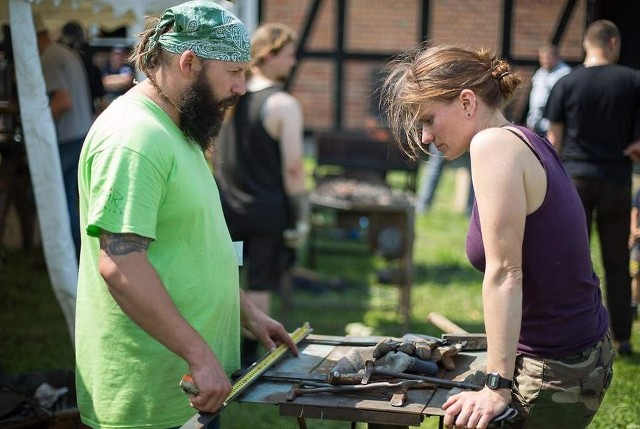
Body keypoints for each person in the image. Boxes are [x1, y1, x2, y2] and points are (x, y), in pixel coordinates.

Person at [74, 2, 297, 428]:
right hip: (149, 398)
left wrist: (249, 315)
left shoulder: (179, 127)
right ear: (189, 62)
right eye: (233, 72)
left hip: (188, 388)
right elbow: (121, 263)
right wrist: (197, 353)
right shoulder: (135, 138)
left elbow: (189, 246)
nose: (242, 87)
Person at [380, 43, 613, 429]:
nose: (425, 137)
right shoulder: (525, 137)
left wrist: (497, 385)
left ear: (467, 102)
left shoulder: (493, 145)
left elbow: (506, 273)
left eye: (429, 120)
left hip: (554, 370)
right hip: (581, 352)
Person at [214, 22, 308, 366]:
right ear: (269, 56)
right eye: (289, 54)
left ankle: (225, 350)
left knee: (227, 277)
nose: (294, 61)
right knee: (258, 283)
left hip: (227, 208)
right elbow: (294, 168)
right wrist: (301, 216)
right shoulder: (283, 104)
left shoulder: (230, 99)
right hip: (266, 215)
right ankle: (254, 360)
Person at [545, 19, 640, 356]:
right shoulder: (632, 81)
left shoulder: (566, 83)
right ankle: (622, 338)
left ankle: (574, 335)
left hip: (574, 182)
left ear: (587, 44)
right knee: (616, 262)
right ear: (612, 43)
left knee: (572, 261)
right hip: (615, 181)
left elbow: (553, 140)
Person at [35, 14, 93, 258]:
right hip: (81, 133)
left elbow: (62, 101)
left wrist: (36, 127)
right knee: (72, 200)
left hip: (68, 138)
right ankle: (78, 256)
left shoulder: (49, 56)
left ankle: (71, 256)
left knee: (61, 201)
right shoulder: (64, 53)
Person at [59, 20, 107, 115]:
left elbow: (102, 99)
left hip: (76, 117)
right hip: (79, 117)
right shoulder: (89, 65)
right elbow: (102, 100)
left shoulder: (89, 65)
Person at [525, 44, 571, 135]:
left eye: (547, 58)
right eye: (541, 58)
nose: (544, 61)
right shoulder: (540, 72)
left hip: (552, 125)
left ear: (556, 57)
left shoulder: (565, 74)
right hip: (536, 122)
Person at [630, 187, 640, 320]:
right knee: (635, 274)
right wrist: (633, 230)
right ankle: (633, 305)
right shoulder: (639, 193)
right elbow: (634, 211)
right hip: (638, 242)